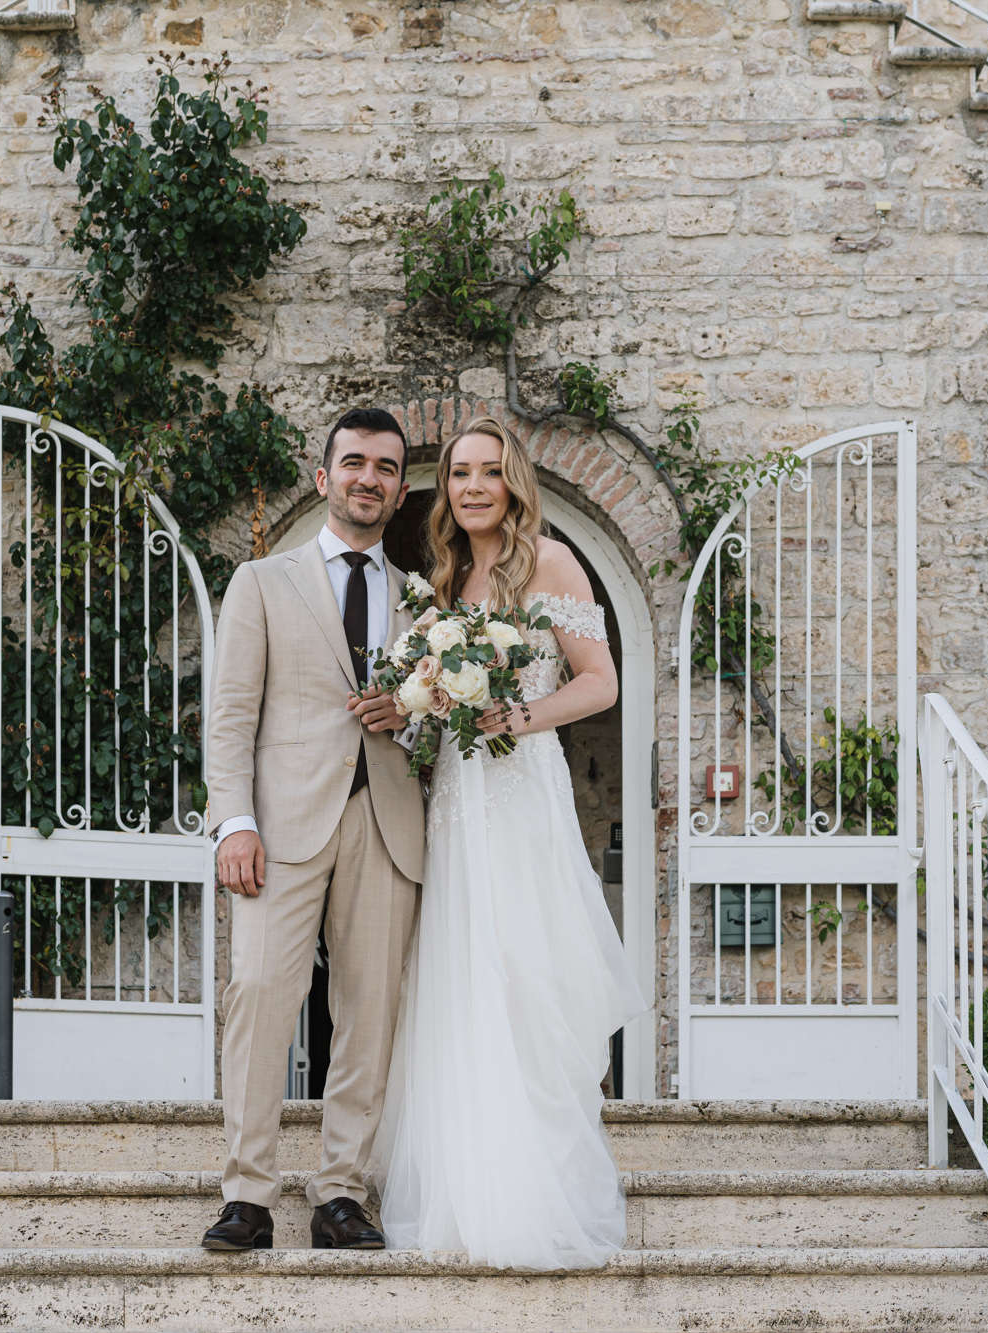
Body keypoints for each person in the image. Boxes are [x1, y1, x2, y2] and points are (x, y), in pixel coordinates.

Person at [371, 414, 647, 1270]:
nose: (474, 487)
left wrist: (519, 714)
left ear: (514, 482)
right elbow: (436, 698)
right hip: (457, 798)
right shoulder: (444, 577)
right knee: (461, 980)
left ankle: (541, 1195)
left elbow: (600, 682)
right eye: (460, 473)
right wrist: (411, 702)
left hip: (523, 792)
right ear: (446, 489)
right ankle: (470, 1192)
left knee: (527, 976)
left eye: (490, 471)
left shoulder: (550, 562)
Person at [201, 407, 425, 1252]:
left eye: (386, 467)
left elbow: (443, 730)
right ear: (326, 476)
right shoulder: (262, 582)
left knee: (370, 1009)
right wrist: (234, 821)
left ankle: (341, 1192)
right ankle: (247, 1195)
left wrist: (409, 715)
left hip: (389, 823)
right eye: (355, 462)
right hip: (282, 825)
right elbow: (231, 714)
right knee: (260, 993)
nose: (370, 478)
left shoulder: (424, 601)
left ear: (399, 491)